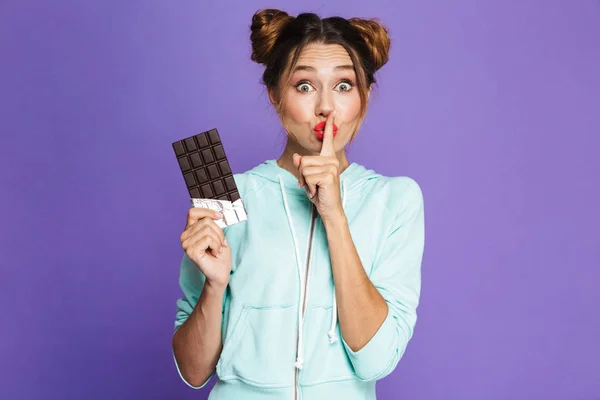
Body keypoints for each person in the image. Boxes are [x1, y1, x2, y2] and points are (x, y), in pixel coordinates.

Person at [172, 8, 425, 400]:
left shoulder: (395, 199)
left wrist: (334, 215)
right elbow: (192, 372)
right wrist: (214, 285)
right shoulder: (223, 192)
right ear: (275, 94)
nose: (326, 106)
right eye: (304, 86)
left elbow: (376, 361)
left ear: (365, 97)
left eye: (344, 85)